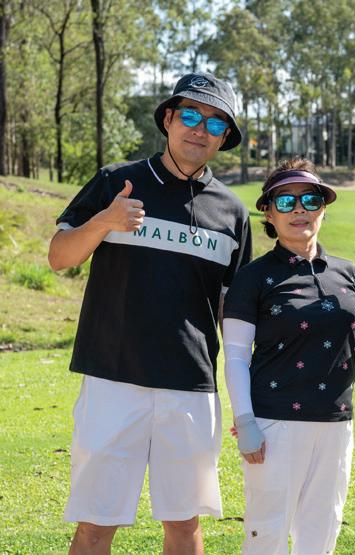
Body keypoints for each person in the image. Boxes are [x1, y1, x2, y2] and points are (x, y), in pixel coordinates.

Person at [48, 72, 252, 554]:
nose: (200, 129)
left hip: (190, 387)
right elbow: (59, 256)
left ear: (224, 137)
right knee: (95, 526)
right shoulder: (116, 182)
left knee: (184, 524)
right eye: (190, 115)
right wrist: (103, 221)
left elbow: (235, 312)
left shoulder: (232, 212)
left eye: (215, 123)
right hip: (112, 379)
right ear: (168, 119)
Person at [221, 158, 355, 555]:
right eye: (286, 201)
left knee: (321, 530)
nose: (300, 210)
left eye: (310, 200)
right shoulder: (252, 278)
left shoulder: (348, 273)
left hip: (336, 423)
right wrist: (245, 421)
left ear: (323, 208)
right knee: (266, 534)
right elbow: (235, 357)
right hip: (274, 425)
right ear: (269, 213)